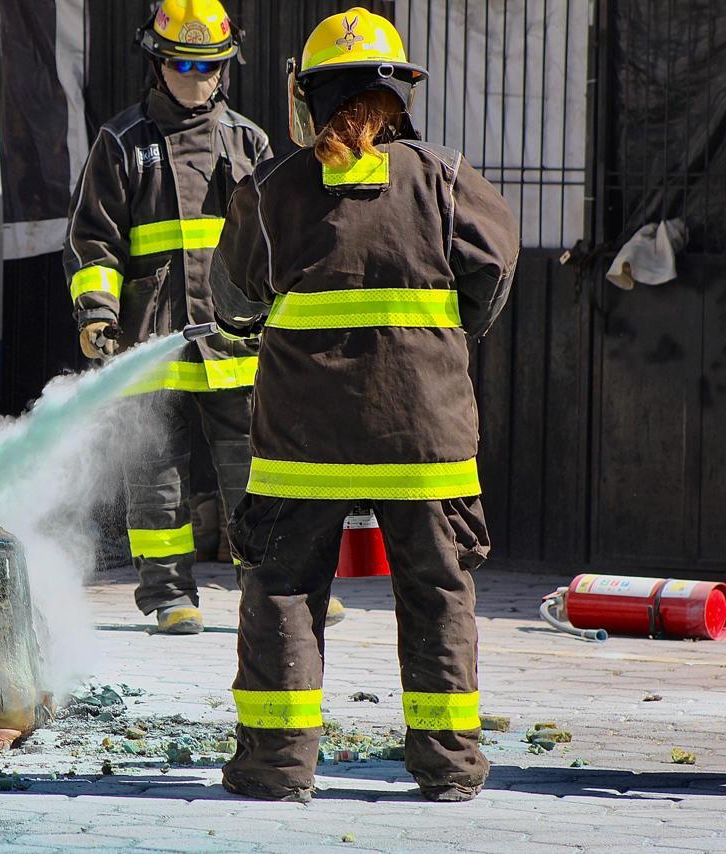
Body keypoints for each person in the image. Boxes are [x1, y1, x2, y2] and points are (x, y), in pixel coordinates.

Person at [210, 8, 519, 801]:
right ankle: (448, 768)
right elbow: (495, 268)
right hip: (426, 439)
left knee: (282, 590)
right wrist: (448, 338)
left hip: (301, 445)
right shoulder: (448, 181)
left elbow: (233, 307)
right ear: (398, 98)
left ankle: (275, 768)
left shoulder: (270, 191)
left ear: (307, 98)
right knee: (438, 593)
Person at [65, 0, 347, 635]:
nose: (199, 78)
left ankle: (274, 589)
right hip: (150, 340)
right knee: (156, 478)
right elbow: (94, 241)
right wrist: (96, 311)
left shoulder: (249, 141)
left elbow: (282, 239)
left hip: (235, 340)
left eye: (212, 66)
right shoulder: (122, 143)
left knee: (254, 475)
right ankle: (168, 597)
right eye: (185, 64)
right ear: (158, 62)